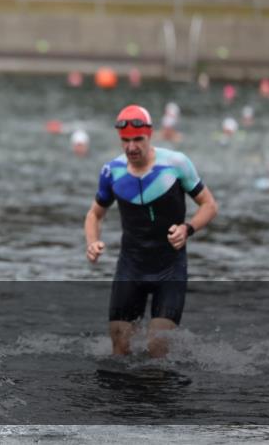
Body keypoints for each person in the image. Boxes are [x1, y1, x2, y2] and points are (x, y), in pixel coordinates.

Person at [83, 105, 218, 358]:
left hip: (169, 268)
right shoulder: (112, 171)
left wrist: (188, 229)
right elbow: (94, 214)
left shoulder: (176, 164)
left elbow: (209, 205)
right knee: (120, 349)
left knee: (157, 349)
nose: (131, 147)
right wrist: (92, 242)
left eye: (138, 140)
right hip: (130, 266)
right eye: (125, 141)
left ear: (150, 135)